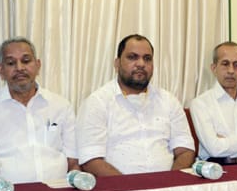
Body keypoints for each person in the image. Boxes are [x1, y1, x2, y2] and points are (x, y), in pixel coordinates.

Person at [77, 34, 195, 176]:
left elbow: (185, 150)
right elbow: (90, 160)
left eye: (147, 58)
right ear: (117, 63)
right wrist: (129, 186)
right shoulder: (97, 102)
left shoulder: (168, 101)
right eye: (132, 57)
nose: (141, 64)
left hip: (168, 186)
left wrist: (170, 182)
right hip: (119, 188)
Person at [0, 37, 78, 185]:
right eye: (11, 63)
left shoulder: (61, 105)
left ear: (38, 65)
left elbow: (73, 160)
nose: (19, 68)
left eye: (26, 61)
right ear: (0, 70)